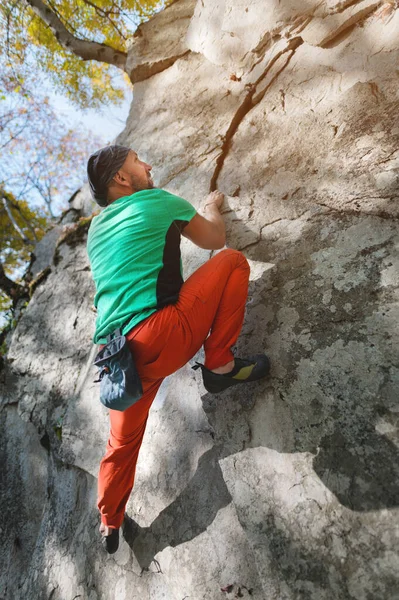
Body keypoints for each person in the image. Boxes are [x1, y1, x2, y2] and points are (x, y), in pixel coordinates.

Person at [86, 145, 270, 554]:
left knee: (120, 444)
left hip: (117, 360)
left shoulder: (95, 231)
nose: (149, 166)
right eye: (138, 162)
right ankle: (219, 366)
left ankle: (109, 521)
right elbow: (214, 239)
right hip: (161, 335)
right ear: (121, 178)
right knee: (234, 262)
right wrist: (210, 205)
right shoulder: (156, 200)